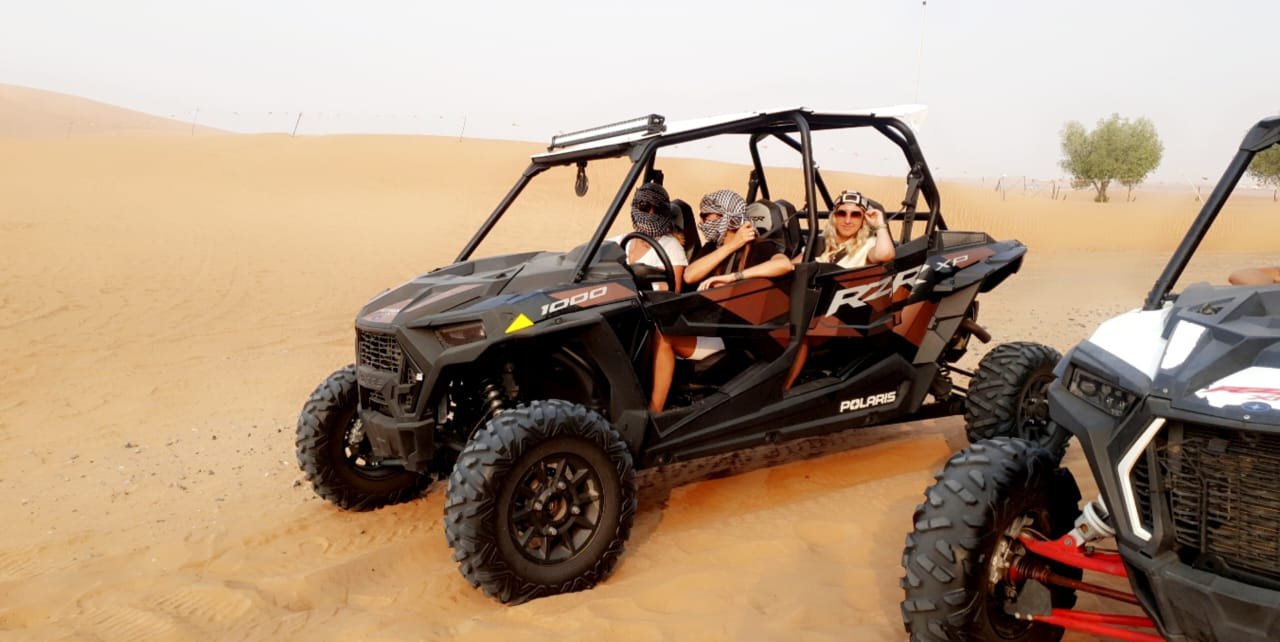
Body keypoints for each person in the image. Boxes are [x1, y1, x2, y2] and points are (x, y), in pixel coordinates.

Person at [648, 189, 794, 412]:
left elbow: (784, 265)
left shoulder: (759, 246)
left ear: (730, 216)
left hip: (738, 338)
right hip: (711, 328)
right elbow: (690, 275)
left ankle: (654, 412)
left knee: (664, 337)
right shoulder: (713, 249)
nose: (702, 222)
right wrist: (731, 245)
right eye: (701, 216)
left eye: (708, 216)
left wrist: (733, 277)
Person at [783, 189, 896, 390]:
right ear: (834, 217)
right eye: (841, 213)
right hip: (809, 307)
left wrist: (879, 224)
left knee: (801, 336)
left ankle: (782, 391)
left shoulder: (867, 246)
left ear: (863, 219)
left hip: (841, 314)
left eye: (855, 214)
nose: (847, 220)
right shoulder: (820, 243)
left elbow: (886, 254)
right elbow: (793, 267)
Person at [613, 182, 688, 291]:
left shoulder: (670, 247)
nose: (651, 213)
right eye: (644, 206)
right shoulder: (621, 240)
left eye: (658, 208)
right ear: (635, 206)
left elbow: (670, 294)